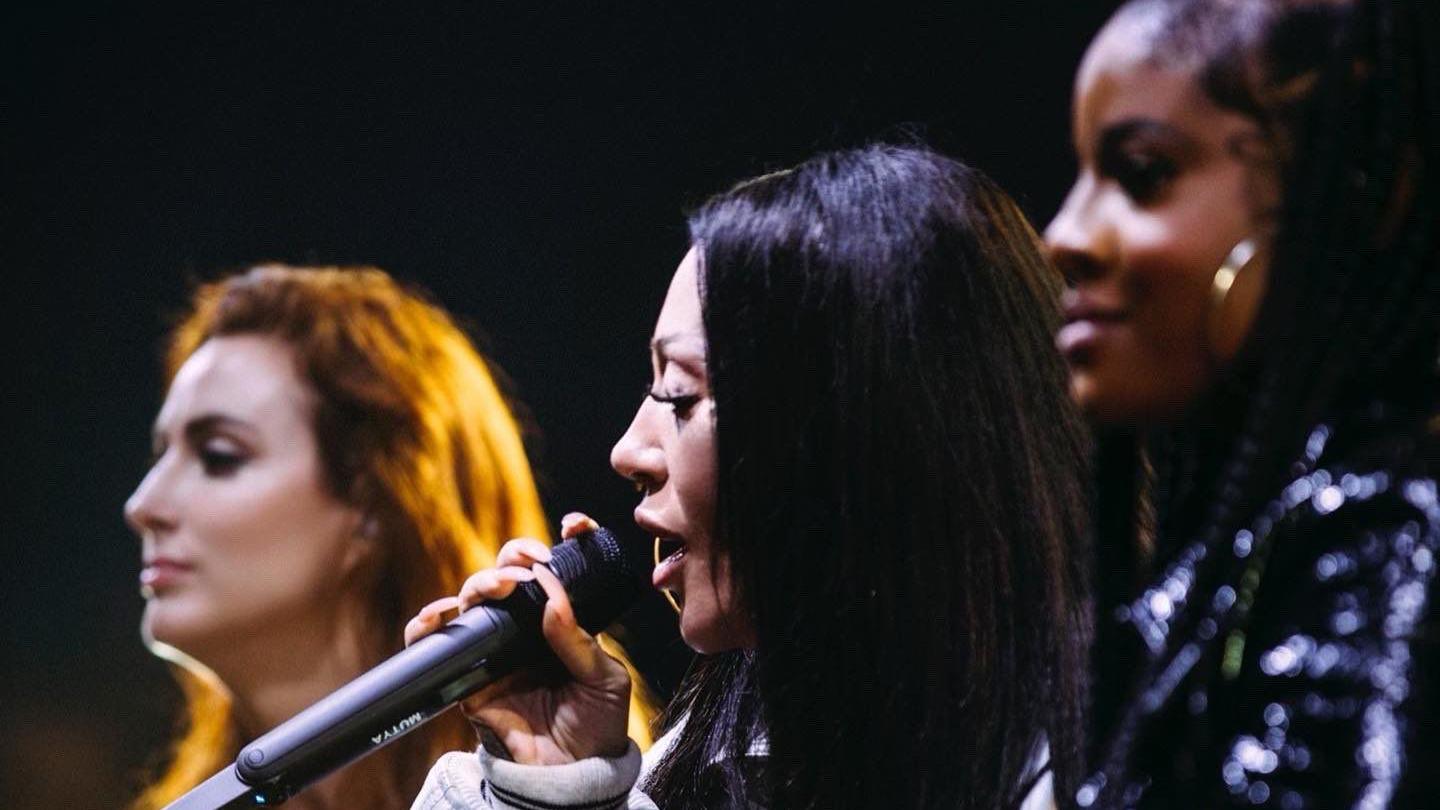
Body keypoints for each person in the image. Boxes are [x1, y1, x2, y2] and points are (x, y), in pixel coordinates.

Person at [406, 144, 1092, 810]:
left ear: (851, 429)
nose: (628, 452)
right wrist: (555, 788)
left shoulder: (1114, 761)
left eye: (679, 395)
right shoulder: (713, 763)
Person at [1045, 0, 1440, 805]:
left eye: (1143, 173)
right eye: (1083, 173)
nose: (1064, 235)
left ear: (1354, 188)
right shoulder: (1253, 542)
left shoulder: (1384, 532)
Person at [124, 265, 652, 809]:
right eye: (161, 456)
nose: (142, 507)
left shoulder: (560, 772)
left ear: (375, 504)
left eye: (218, 457)